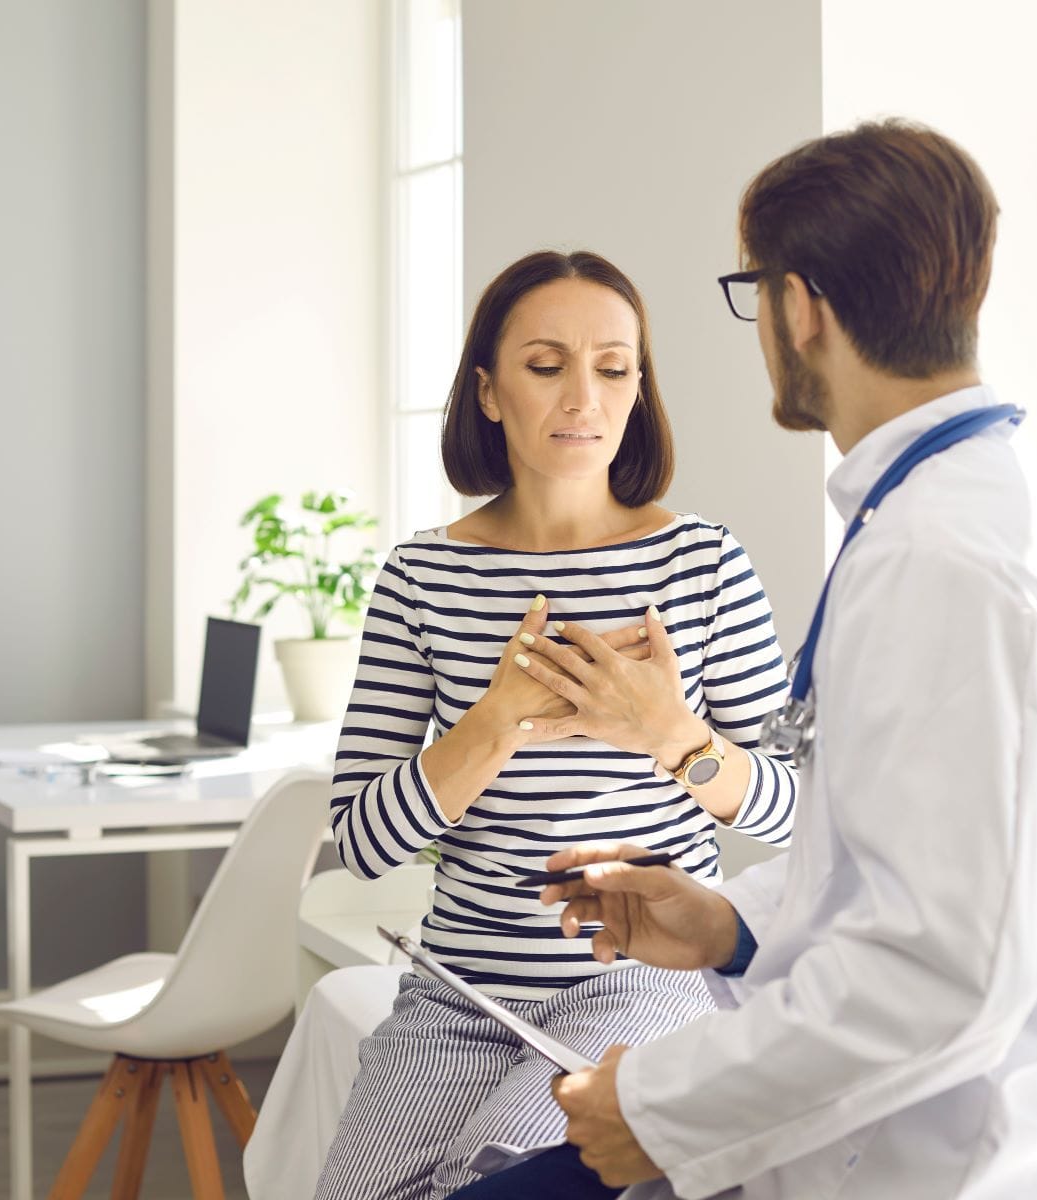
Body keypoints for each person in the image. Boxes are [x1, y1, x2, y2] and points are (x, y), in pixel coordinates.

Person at [456, 120, 1037, 1199]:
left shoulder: (944, 560)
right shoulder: (967, 511)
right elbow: (914, 862)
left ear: (800, 307)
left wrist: (652, 1109)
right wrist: (731, 925)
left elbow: (936, 972)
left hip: (940, 1155)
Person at [313, 249, 801, 1200]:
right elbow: (361, 845)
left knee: (500, 1187)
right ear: (489, 393)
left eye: (614, 368)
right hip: (453, 996)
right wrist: (493, 724)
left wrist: (676, 737)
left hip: (638, 988)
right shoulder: (423, 577)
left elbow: (791, 812)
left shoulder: (702, 565)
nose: (584, 396)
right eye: (547, 366)